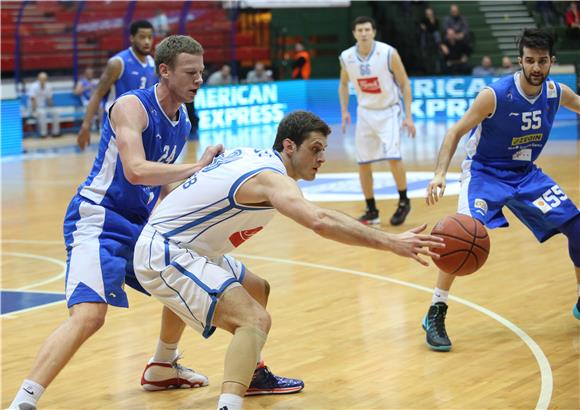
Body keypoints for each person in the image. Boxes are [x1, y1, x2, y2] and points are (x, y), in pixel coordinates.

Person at [133, 110, 445, 410]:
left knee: (257, 289)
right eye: (315, 149)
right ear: (289, 146)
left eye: (324, 149)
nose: (322, 158)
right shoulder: (271, 178)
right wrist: (392, 242)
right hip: (167, 251)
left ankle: (168, 366)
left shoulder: (252, 156)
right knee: (254, 320)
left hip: (186, 246)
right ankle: (229, 404)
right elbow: (319, 220)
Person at [9, 35, 223, 410]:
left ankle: (162, 365)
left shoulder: (183, 119)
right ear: (165, 71)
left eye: (202, 72)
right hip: (97, 219)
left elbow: (166, 182)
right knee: (90, 316)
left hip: (137, 225)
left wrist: (182, 218)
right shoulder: (131, 106)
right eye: (191, 72)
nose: (199, 79)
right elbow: (137, 171)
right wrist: (197, 167)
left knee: (180, 278)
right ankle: (23, 401)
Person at [422, 28, 580, 352]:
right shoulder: (494, 95)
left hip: (526, 175)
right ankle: (436, 310)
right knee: (463, 234)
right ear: (520, 60)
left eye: (542, 61)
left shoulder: (556, 92)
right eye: (530, 60)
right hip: (484, 174)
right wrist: (439, 174)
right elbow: (455, 132)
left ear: (552, 61)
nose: (536, 67)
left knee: (578, 228)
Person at [338, 16, 417, 226]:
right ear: (354, 33)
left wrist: (408, 117)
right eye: (359, 30)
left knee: (393, 157)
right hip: (365, 112)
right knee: (363, 162)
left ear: (373, 31)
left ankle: (403, 201)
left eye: (367, 29)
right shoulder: (346, 57)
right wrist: (345, 110)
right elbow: (344, 84)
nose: (363, 33)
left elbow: (405, 84)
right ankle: (371, 209)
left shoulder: (388, 53)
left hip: (389, 110)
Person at [77, 20, 157, 150]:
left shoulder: (152, 63)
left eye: (150, 37)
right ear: (132, 38)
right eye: (142, 37)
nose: (147, 41)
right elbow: (97, 94)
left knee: (139, 169)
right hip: (116, 128)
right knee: (110, 170)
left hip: (142, 126)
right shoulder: (118, 63)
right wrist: (85, 126)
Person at [27, 72, 60, 138]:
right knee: (42, 113)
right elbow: (33, 99)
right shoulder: (33, 86)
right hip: (33, 107)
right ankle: (43, 134)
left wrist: (52, 107)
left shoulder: (48, 86)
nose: (43, 80)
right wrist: (34, 111)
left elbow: (49, 99)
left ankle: (55, 133)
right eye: (42, 78)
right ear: (38, 78)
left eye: (45, 78)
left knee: (56, 112)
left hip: (43, 107)